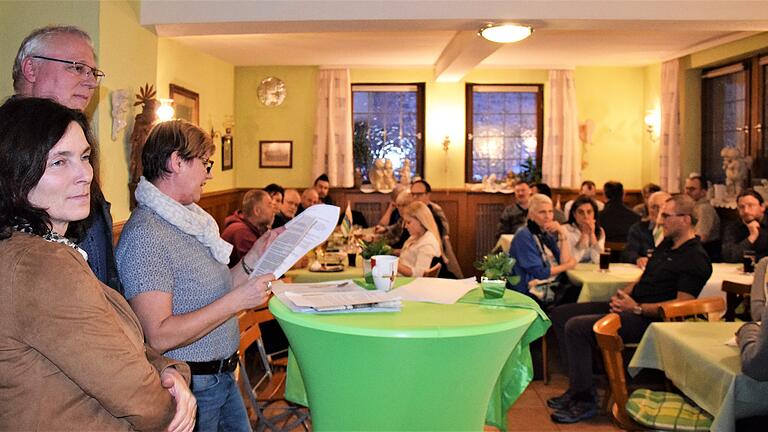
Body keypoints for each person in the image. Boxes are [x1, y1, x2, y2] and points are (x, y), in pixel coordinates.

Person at [0, 97, 195, 432]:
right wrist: (173, 397)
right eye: (60, 162)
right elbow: (142, 400)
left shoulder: (34, 249)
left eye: (85, 157)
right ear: (17, 171)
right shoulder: (42, 266)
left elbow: (115, 346)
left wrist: (168, 369)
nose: (84, 175)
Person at [116, 120, 275, 432]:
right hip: (192, 385)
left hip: (222, 376)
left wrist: (252, 260)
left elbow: (215, 291)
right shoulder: (147, 235)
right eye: (205, 162)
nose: (210, 174)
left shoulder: (192, 222)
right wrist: (235, 303)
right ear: (176, 161)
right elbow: (158, 336)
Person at [548, 194, 712, 424]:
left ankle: (584, 400)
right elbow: (645, 277)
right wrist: (625, 293)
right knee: (562, 313)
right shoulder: (667, 244)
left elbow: (680, 307)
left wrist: (637, 308)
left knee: (577, 327)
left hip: (653, 321)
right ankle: (582, 384)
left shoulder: (695, 257)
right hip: (632, 306)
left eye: (666, 215)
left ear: (685, 219)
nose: (660, 220)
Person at [13, 25, 120, 292]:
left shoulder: (80, 137)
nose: (91, 81)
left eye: (93, 72)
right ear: (31, 69)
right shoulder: (7, 146)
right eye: (77, 67)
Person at [508, 194, 577, 301]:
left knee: (576, 290)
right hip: (529, 292)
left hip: (549, 284)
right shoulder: (524, 235)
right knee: (574, 292)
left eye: (550, 211)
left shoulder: (545, 233)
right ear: (531, 215)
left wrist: (562, 234)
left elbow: (563, 260)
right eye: (542, 212)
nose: (548, 216)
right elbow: (540, 273)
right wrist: (568, 265)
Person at [410, 179, 463, 277]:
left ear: (428, 195)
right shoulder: (411, 210)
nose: (415, 197)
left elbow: (444, 232)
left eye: (419, 194)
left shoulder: (435, 211)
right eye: (412, 194)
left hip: (432, 258)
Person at [221, 189, 275, 267]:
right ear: (257, 211)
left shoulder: (258, 227)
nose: (274, 210)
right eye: (269, 205)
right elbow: (256, 266)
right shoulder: (241, 232)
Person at [622, 191, 670, 267]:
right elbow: (629, 252)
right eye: (654, 207)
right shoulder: (638, 228)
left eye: (662, 207)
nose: (658, 211)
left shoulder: (675, 229)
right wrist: (638, 259)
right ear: (648, 208)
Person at [722, 189, 768, 263]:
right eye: (741, 207)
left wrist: (754, 259)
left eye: (751, 205)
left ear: (762, 207)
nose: (746, 210)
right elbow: (729, 256)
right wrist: (752, 237)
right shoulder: (733, 227)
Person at [397, 201, 442, 277]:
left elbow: (419, 274)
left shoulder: (428, 244)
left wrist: (393, 264)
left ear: (421, 221)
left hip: (410, 284)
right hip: (400, 277)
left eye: (408, 222)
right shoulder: (415, 236)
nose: (405, 226)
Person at [684, 175, 721, 260]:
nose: (687, 192)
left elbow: (701, 238)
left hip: (707, 254)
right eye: (686, 188)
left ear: (703, 192)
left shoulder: (705, 209)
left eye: (692, 189)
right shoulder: (692, 207)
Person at [563, 195, 605, 263]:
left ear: (594, 214)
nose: (586, 216)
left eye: (589, 212)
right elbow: (570, 261)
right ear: (574, 214)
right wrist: (584, 235)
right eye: (581, 212)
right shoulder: (565, 230)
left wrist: (592, 234)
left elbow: (599, 261)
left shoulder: (600, 231)